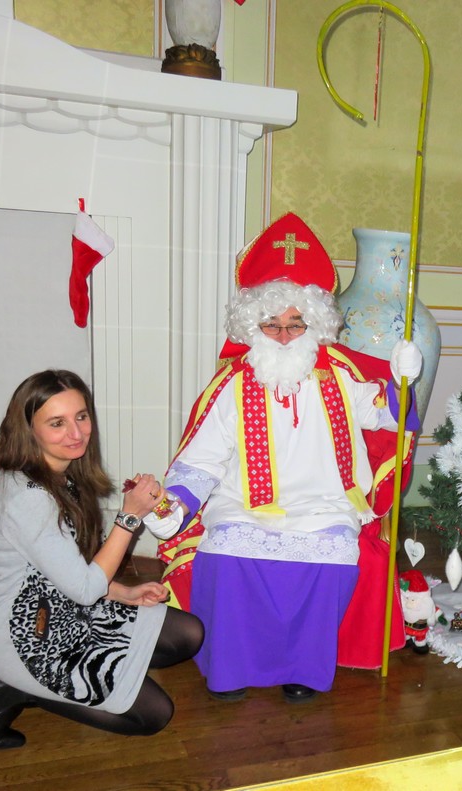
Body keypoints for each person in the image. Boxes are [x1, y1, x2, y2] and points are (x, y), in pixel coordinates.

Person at [147, 212, 421, 703]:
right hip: (243, 506)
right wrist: (176, 503)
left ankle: (303, 669)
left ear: (315, 325)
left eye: (296, 324)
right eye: (271, 325)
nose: (284, 336)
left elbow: (388, 416)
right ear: (251, 326)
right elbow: (203, 460)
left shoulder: (340, 377)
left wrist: (403, 381)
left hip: (324, 505)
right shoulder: (232, 385)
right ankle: (230, 669)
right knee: (227, 554)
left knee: (331, 558)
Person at [0, 370, 204, 749]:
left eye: (81, 416)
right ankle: (10, 691)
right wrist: (129, 517)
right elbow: (83, 588)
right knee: (153, 715)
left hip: (66, 606)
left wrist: (121, 592)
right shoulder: (26, 497)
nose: (76, 433)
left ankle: (111, 672)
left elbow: (66, 570)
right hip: (29, 638)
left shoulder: (58, 473)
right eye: (57, 423)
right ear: (28, 429)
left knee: (188, 634)